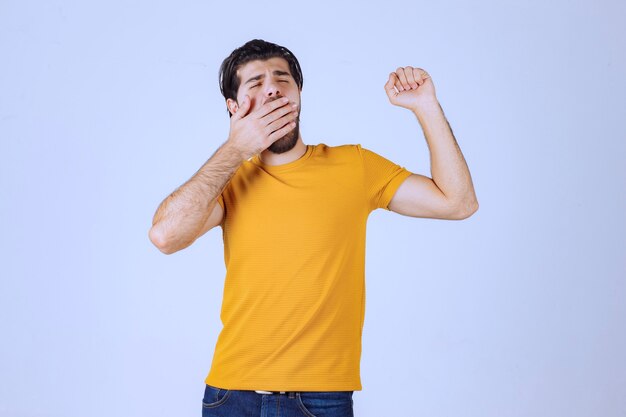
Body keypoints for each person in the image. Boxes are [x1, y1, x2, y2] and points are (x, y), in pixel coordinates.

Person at [149, 39, 478, 417]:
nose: (272, 87)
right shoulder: (226, 181)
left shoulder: (355, 166)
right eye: (255, 84)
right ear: (234, 107)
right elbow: (164, 236)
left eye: (282, 79)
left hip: (321, 400)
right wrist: (235, 150)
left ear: (298, 94)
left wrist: (426, 107)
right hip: (232, 396)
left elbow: (458, 202)